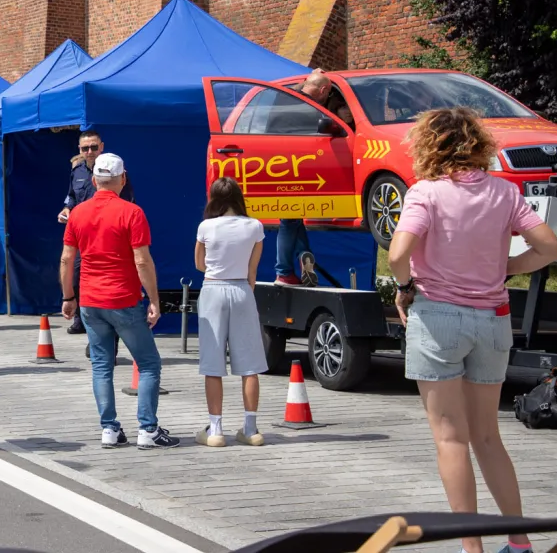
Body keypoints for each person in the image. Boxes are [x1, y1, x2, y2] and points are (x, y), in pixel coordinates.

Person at [389, 108, 557, 553]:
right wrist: (508, 267)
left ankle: (472, 549)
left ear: (429, 146)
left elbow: (397, 254)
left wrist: (406, 287)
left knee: (450, 438)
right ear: (477, 144)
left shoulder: (424, 193)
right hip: (493, 320)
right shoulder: (504, 191)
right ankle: (519, 544)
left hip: (439, 319)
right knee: (488, 436)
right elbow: (548, 246)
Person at [60, 152, 179, 450]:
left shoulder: (78, 213)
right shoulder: (132, 212)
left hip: (90, 299)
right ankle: (148, 429)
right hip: (123, 298)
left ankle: (109, 429)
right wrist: (154, 299)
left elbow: (66, 258)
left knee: (102, 365)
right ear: (122, 179)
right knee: (148, 362)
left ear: (93, 180)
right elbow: (142, 261)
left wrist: (68, 296)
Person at [193, 177, 267, 448]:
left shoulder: (206, 226)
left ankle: (215, 429)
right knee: (250, 365)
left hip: (213, 289)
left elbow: (200, 264)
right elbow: (252, 270)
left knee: (213, 364)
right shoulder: (254, 226)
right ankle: (250, 427)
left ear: (213, 198)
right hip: (242, 290)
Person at [275, 69, 354, 286]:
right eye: (327, 94)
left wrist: (308, 79)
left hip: (275, 165)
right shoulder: (310, 109)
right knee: (289, 219)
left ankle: (303, 256)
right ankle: (283, 272)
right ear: (322, 90)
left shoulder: (284, 96)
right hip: (296, 169)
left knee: (293, 218)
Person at [59, 130, 133, 336]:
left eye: (93, 147)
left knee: (105, 276)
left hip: (108, 234)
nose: (89, 152)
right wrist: (66, 210)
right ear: (79, 150)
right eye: (85, 148)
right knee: (74, 274)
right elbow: (71, 197)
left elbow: (127, 201)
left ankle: (107, 330)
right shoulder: (78, 171)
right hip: (83, 234)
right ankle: (79, 318)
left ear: (101, 146)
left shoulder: (115, 172)